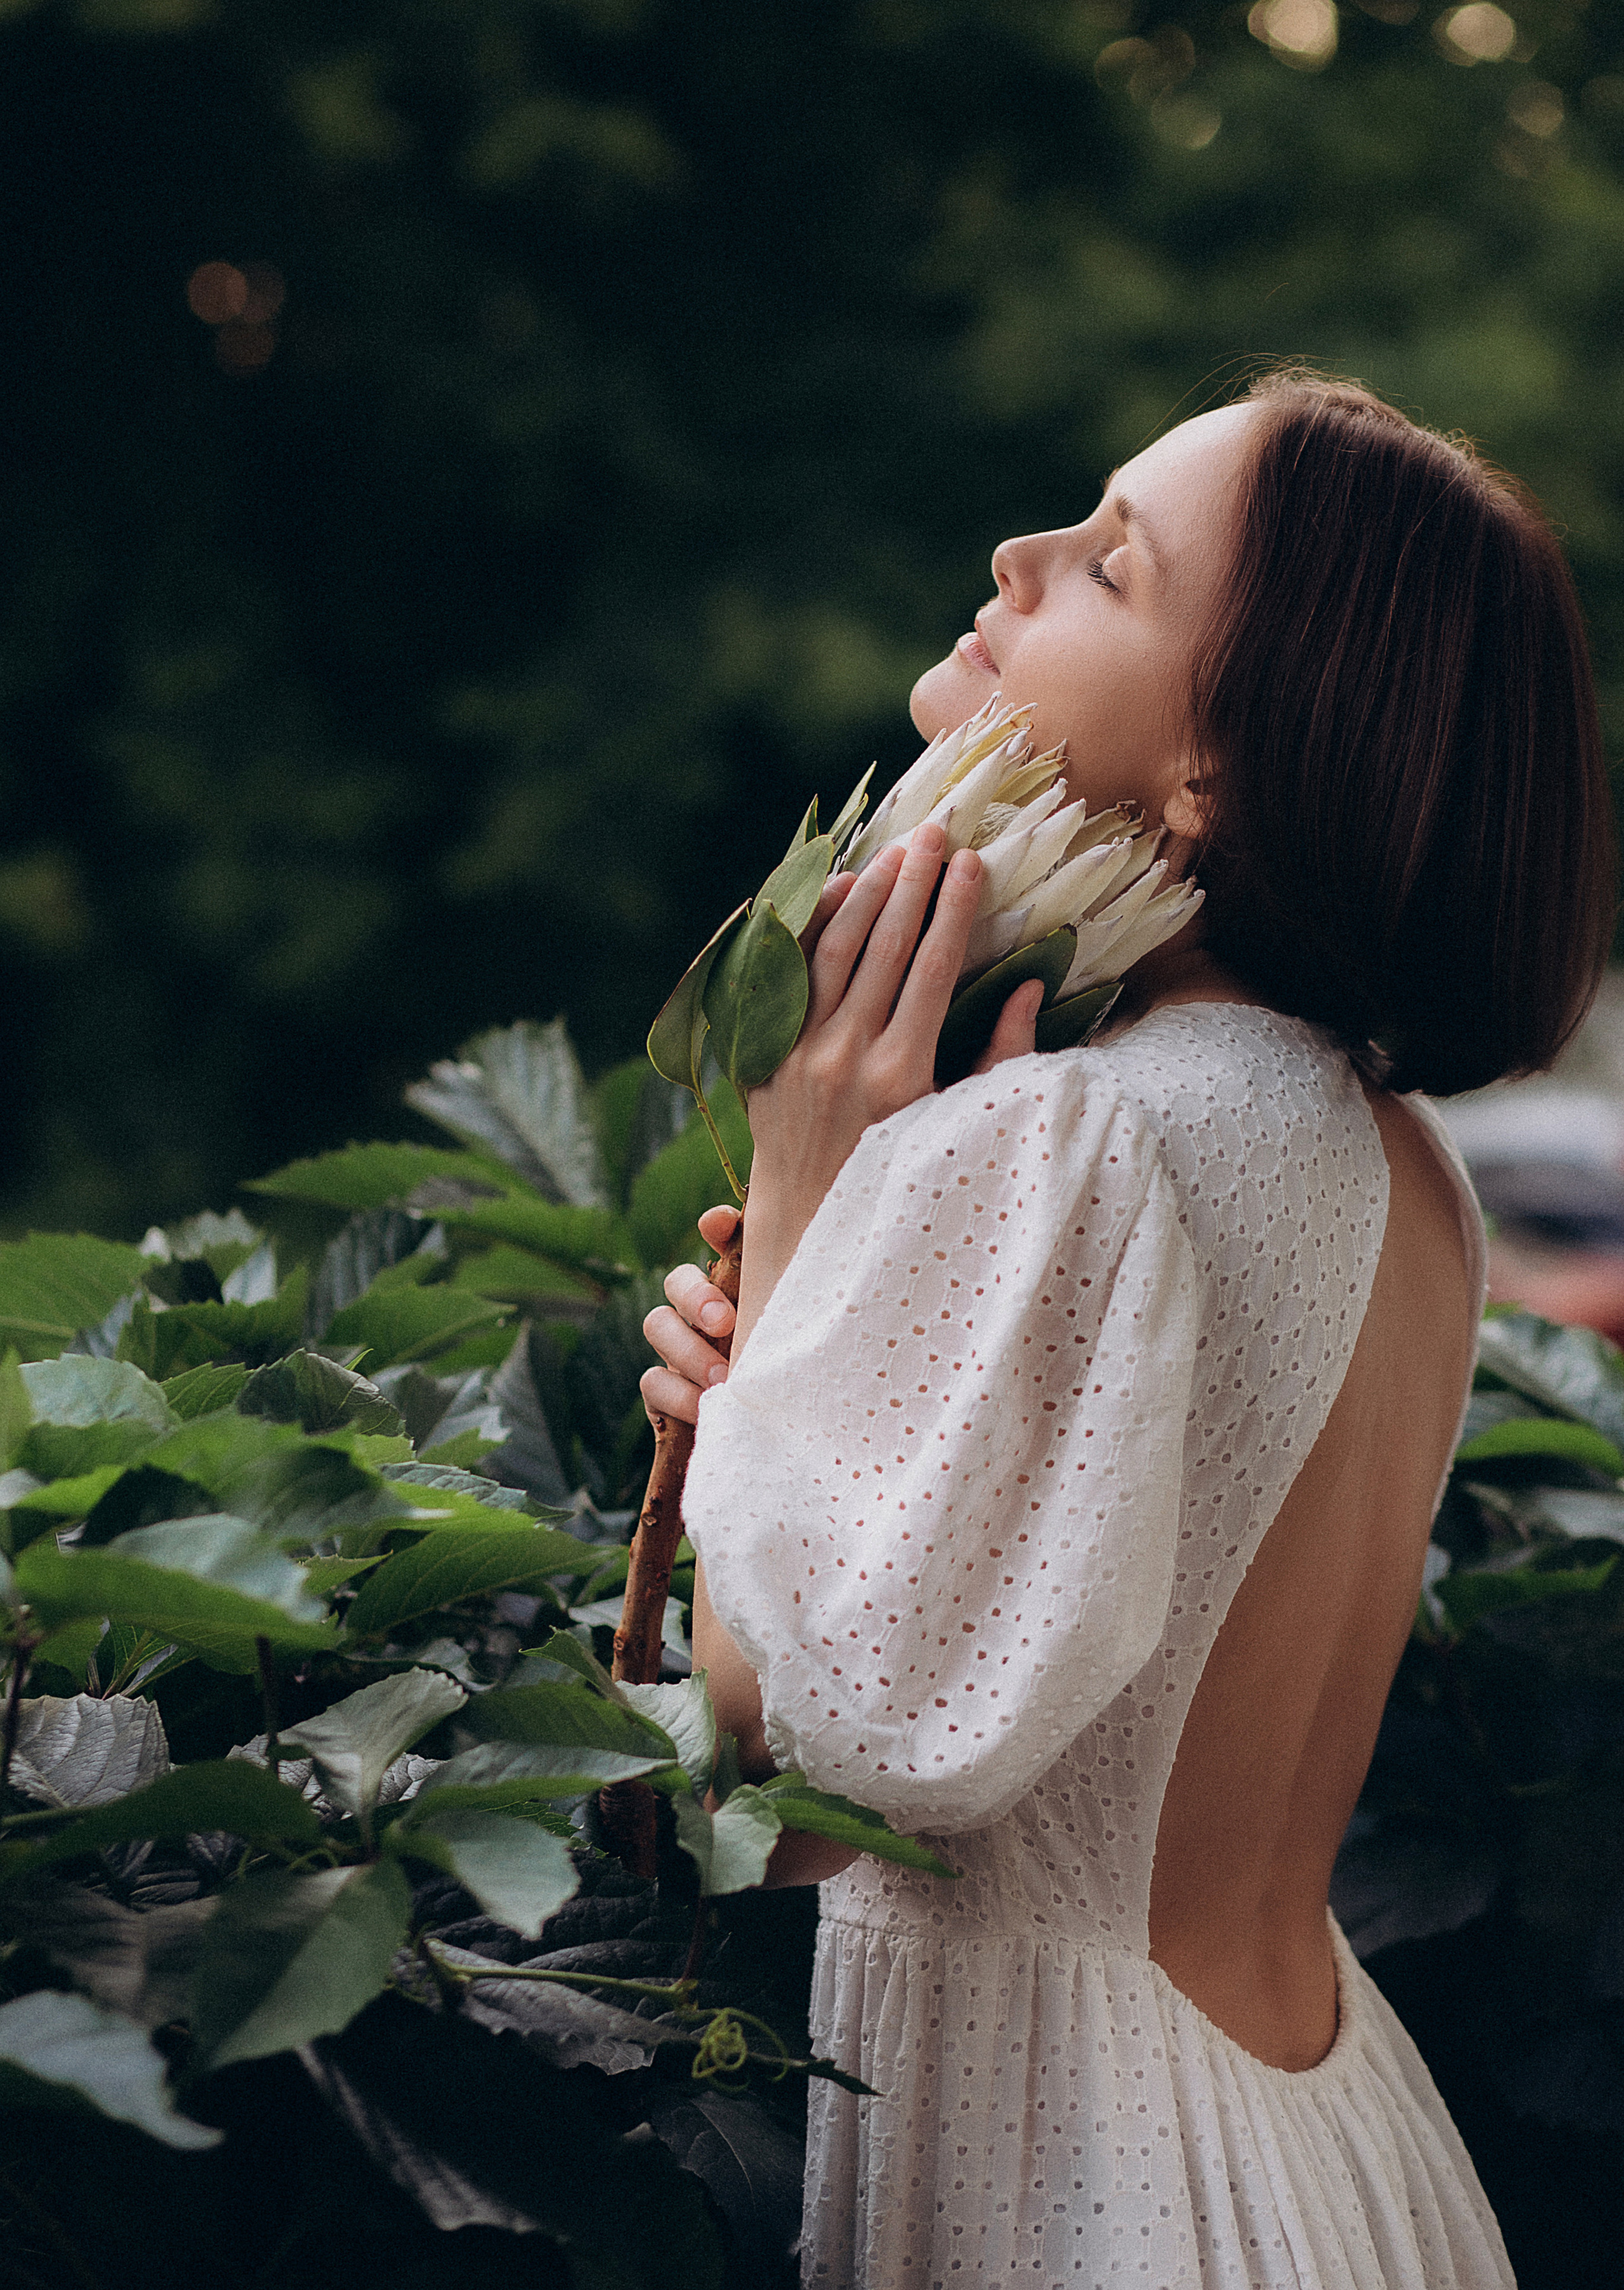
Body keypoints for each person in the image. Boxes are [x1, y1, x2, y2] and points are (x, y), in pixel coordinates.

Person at [641, 371, 1615, 2289]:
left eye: (1107, 564)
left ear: (1218, 775)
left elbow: (796, 1785)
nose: (1016, 556)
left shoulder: (1079, 1135)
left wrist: (819, 1197)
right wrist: (783, 1389)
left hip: (1060, 2166)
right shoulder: (1405, 1167)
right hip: (1322, 2151)